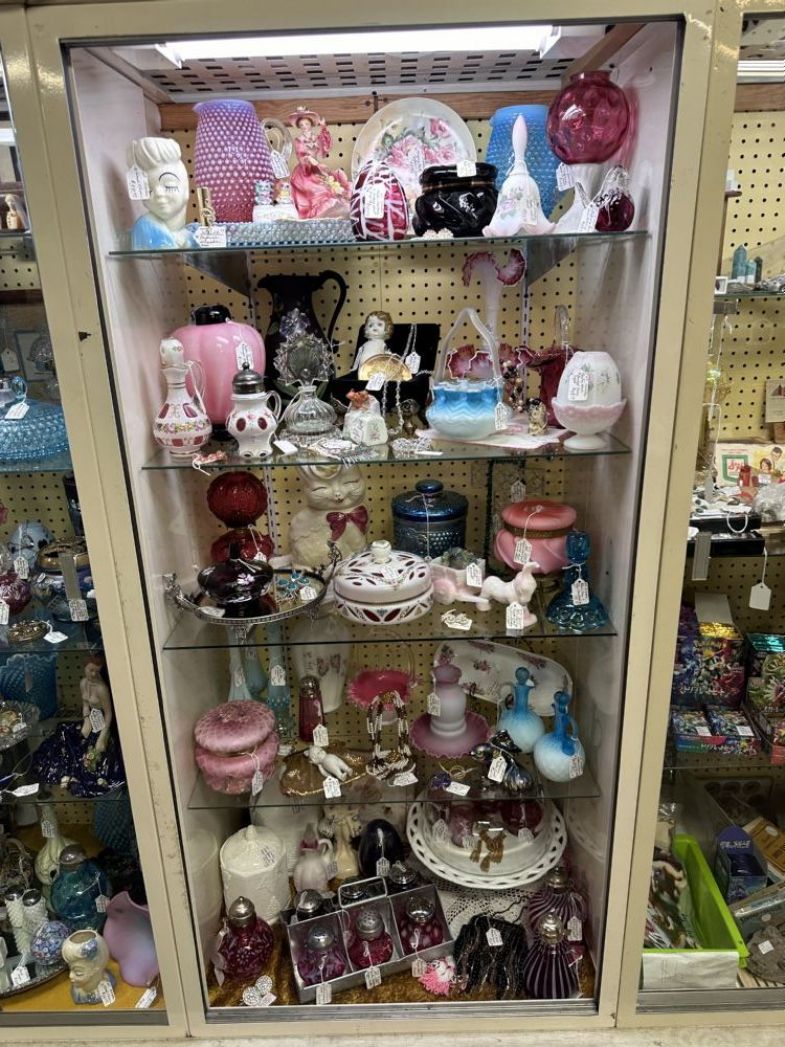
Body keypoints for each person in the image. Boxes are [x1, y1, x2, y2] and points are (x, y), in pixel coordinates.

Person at [128, 137, 197, 249]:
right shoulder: (146, 227)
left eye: (169, 186)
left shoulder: (190, 235)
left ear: (186, 189)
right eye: (149, 190)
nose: (158, 194)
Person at [287, 108, 350, 220]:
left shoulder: (316, 138)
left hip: (317, 168)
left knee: (327, 187)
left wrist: (323, 127)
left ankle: (328, 212)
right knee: (312, 190)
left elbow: (325, 146)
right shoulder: (298, 140)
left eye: (306, 124)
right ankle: (312, 215)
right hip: (305, 171)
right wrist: (308, 159)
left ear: (311, 124)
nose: (304, 126)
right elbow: (300, 154)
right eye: (301, 125)